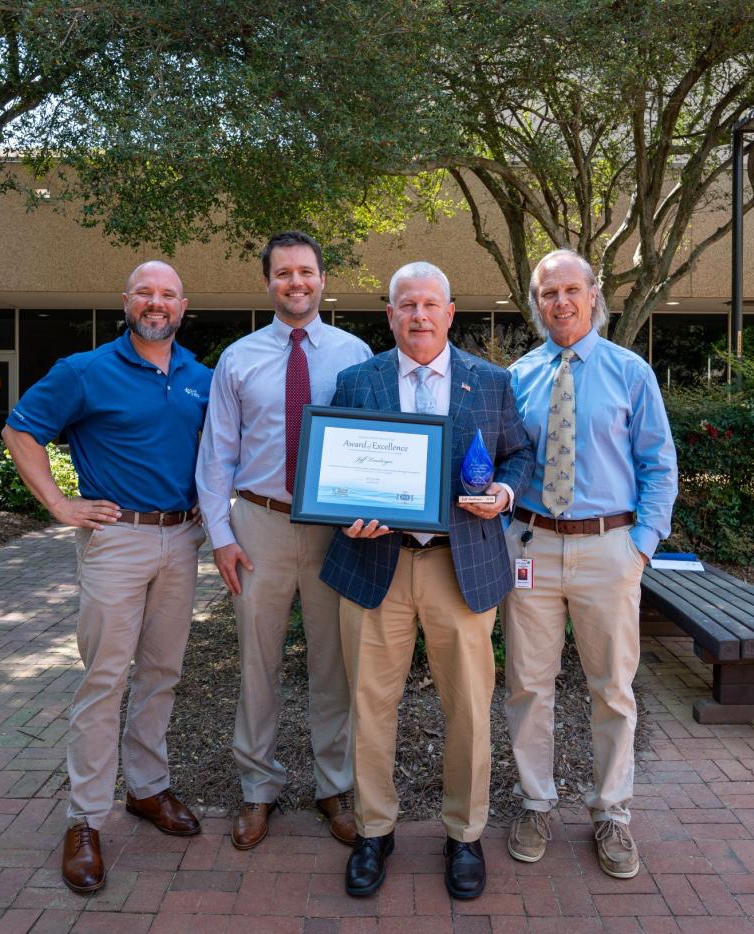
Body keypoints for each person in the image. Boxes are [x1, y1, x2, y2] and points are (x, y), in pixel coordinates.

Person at [320, 261, 534, 901]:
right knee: (369, 706)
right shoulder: (357, 381)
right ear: (390, 315)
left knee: (468, 707)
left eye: (429, 304)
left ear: (449, 313)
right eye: (405, 305)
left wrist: (503, 490)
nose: (418, 315)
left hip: (460, 566)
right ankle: (373, 829)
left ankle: (464, 835)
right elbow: (332, 460)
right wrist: (343, 514)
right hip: (373, 565)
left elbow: (519, 453)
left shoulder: (489, 383)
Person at [2, 260, 213, 894]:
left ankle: (147, 789)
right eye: (145, 293)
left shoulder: (199, 377)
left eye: (168, 294)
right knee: (104, 679)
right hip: (116, 539)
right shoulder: (84, 371)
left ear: (183, 305)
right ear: (126, 301)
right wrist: (61, 505)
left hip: (183, 539)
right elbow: (19, 431)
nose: (157, 303)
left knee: (162, 673)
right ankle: (85, 820)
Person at [501, 249, 677, 879]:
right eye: (549, 293)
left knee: (613, 688)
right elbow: (500, 462)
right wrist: (504, 530)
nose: (562, 303)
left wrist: (641, 546)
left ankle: (612, 812)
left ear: (595, 294)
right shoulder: (516, 376)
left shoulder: (631, 373)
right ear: (536, 301)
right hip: (532, 546)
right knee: (527, 684)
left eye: (572, 290)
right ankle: (535, 801)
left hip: (610, 547)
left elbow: (659, 464)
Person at [195, 231, 372, 850]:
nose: (295, 283)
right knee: (256, 663)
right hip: (260, 526)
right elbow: (216, 456)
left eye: (306, 272)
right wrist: (221, 536)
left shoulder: (356, 354)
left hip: (335, 531)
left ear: (324, 279)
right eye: (283, 274)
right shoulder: (238, 359)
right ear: (267, 283)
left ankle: (334, 787)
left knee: (335, 665)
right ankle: (256, 789)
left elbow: (373, 444)